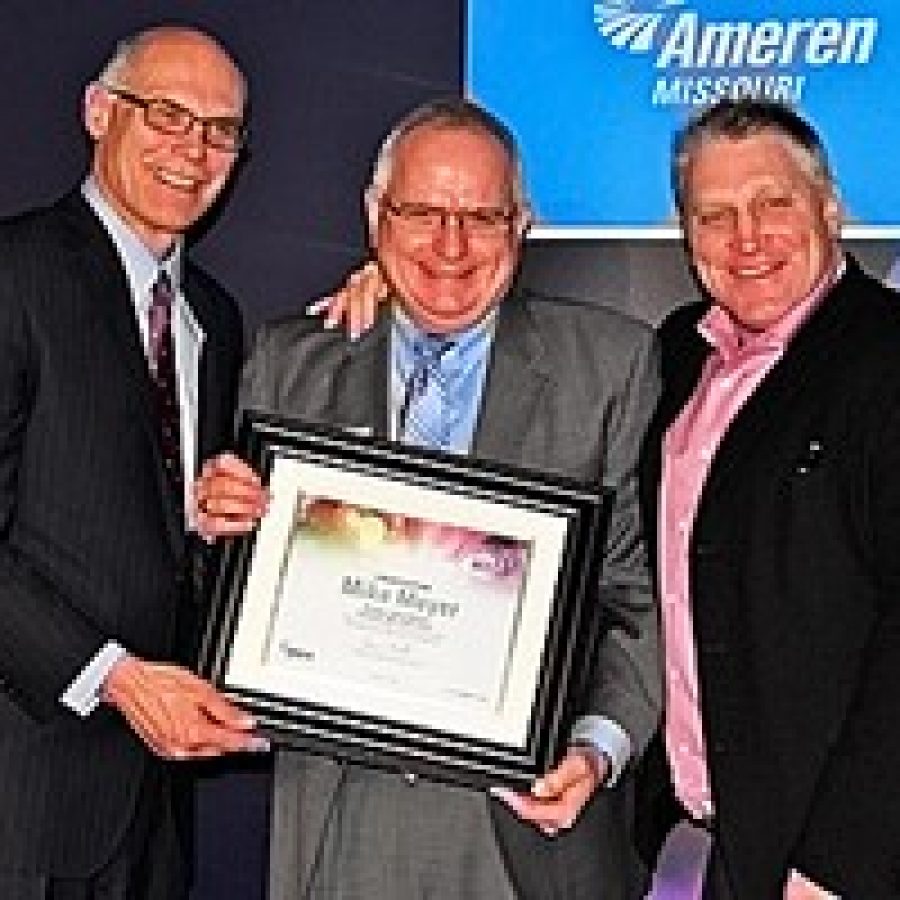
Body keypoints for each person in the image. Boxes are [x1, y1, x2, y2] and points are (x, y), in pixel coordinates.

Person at [195, 97, 661, 899]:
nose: (451, 245)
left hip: (526, 824)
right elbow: (243, 601)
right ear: (377, 218)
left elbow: (640, 597)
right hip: (339, 822)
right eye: (422, 212)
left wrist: (595, 748)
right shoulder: (290, 363)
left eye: (482, 215)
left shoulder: (610, 367)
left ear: (521, 226)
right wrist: (216, 528)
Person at [0, 25, 266, 900]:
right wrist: (111, 678)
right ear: (97, 112)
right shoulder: (14, 274)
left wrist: (200, 519)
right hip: (24, 804)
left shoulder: (212, 319)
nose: (194, 149)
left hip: (151, 816)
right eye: (167, 114)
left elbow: (132, 516)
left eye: (221, 130)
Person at [638, 97, 900, 898]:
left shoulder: (888, 360)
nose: (746, 238)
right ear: (686, 236)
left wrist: (839, 864)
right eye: (714, 214)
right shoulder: (679, 353)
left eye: (773, 204)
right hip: (705, 844)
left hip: (834, 866)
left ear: (830, 208)